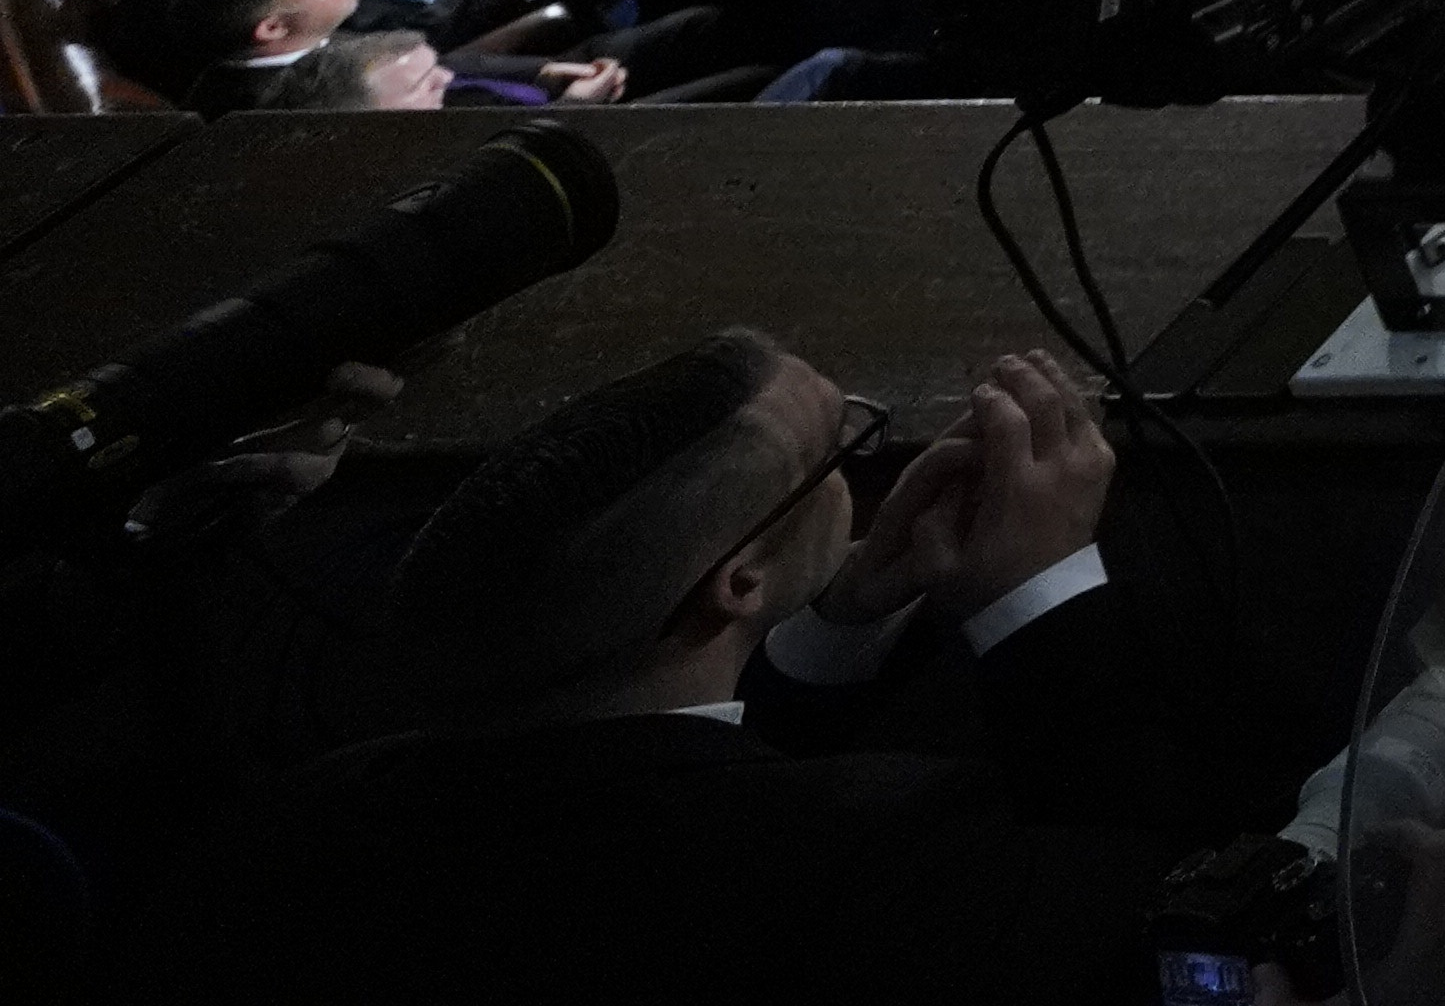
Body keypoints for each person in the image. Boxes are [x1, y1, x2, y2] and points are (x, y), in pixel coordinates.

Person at [224, 330, 1214, 1000]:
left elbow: (664, 778)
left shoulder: (299, 818)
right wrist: (1040, 592)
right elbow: (1133, 910)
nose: (856, 471)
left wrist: (838, 617)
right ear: (737, 581)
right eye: (834, 453)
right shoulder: (878, 852)